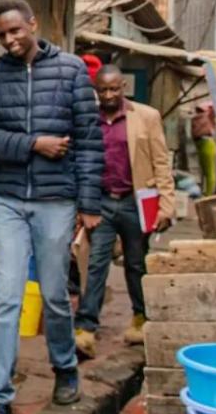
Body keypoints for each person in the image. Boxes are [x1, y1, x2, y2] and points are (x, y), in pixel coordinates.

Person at [0, 0, 104, 414]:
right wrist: (32, 144)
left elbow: (88, 139)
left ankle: (65, 369)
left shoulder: (71, 71)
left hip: (56, 201)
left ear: (33, 23)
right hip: (8, 200)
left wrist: (89, 204)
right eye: (2, 34)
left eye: (15, 31)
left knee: (53, 295)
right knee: (6, 299)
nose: (9, 40)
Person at [73, 66, 175, 358]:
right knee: (95, 265)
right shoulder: (89, 119)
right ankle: (86, 328)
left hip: (135, 202)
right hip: (102, 203)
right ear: (96, 90)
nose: (108, 95)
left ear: (123, 86)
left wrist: (166, 205)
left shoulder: (146, 116)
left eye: (114, 89)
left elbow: (160, 162)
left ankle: (141, 319)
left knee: (136, 263)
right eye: (103, 90)